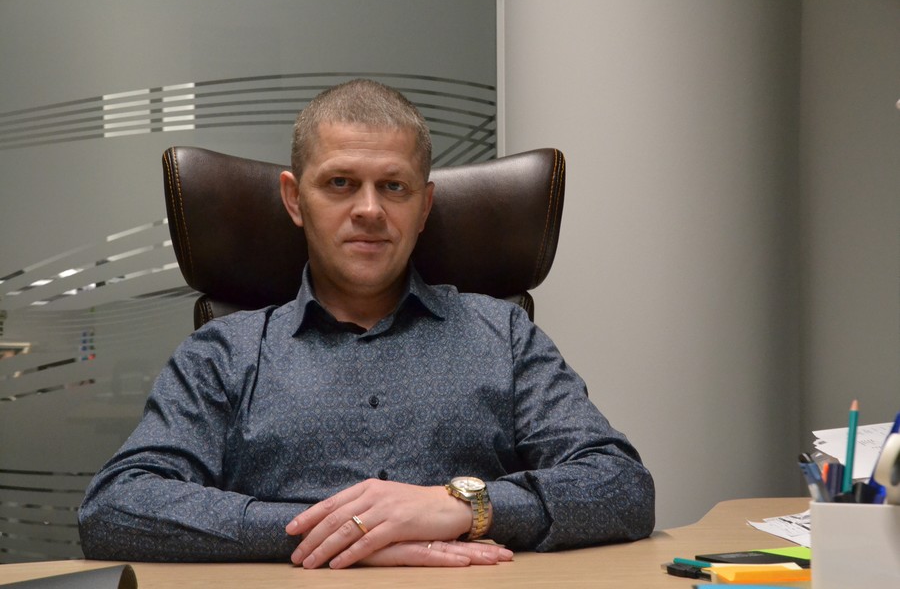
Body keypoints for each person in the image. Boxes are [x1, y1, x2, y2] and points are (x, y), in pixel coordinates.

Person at [78, 79, 655, 568]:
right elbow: (115, 508)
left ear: (424, 206)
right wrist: (342, 533)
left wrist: (459, 507)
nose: (370, 210)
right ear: (294, 199)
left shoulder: (502, 334)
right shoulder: (222, 353)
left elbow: (621, 486)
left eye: (394, 187)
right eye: (340, 183)